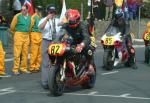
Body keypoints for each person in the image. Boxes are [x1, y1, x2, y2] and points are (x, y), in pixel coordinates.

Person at [60, 9, 95, 75]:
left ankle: (90, 66)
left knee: (89, 48)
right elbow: (59, 34)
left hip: (85, 41)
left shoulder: (82, 25)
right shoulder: (66, 25)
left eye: (73, 21)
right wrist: (55, 41)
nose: (71, 22)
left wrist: (81, 45)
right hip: (73, 42)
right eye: (70, 21)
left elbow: (87, 38)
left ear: (78, 19)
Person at [38, 4, 61, 89]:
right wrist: (47, 19)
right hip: (46, 41)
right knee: (45, 62)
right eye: (51, 12)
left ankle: (55, 79)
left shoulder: (57, 20)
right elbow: (40, 27)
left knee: (57, 61)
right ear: (47, 12)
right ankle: (45, 82)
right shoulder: (43, 20)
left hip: (55, 42)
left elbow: (63, 25)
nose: (52, 14)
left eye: (54, 12)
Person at [10, 5, 31, 75]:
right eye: (21, 10)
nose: (22, 11)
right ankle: (15, 69)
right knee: (17, 53)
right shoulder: (17, 16)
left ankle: (23, 68)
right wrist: (15, 33)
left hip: (26, 35)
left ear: (27, 10)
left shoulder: (30, 17)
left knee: (25, 53)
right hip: (18, 34)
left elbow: (30, 27)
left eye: (24, 10)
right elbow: (12, 26)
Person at [29, 6, 43, 73]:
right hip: (34, 34)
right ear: (35, 10)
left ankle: (37, 66)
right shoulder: (33, 17)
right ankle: (32, 67)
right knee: (34, 53)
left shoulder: (41, 17)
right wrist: (30, 35)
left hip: (40, 35)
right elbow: (30, 27)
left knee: (39, 53)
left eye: (40, 10)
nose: (39, 11)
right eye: (38, 10)